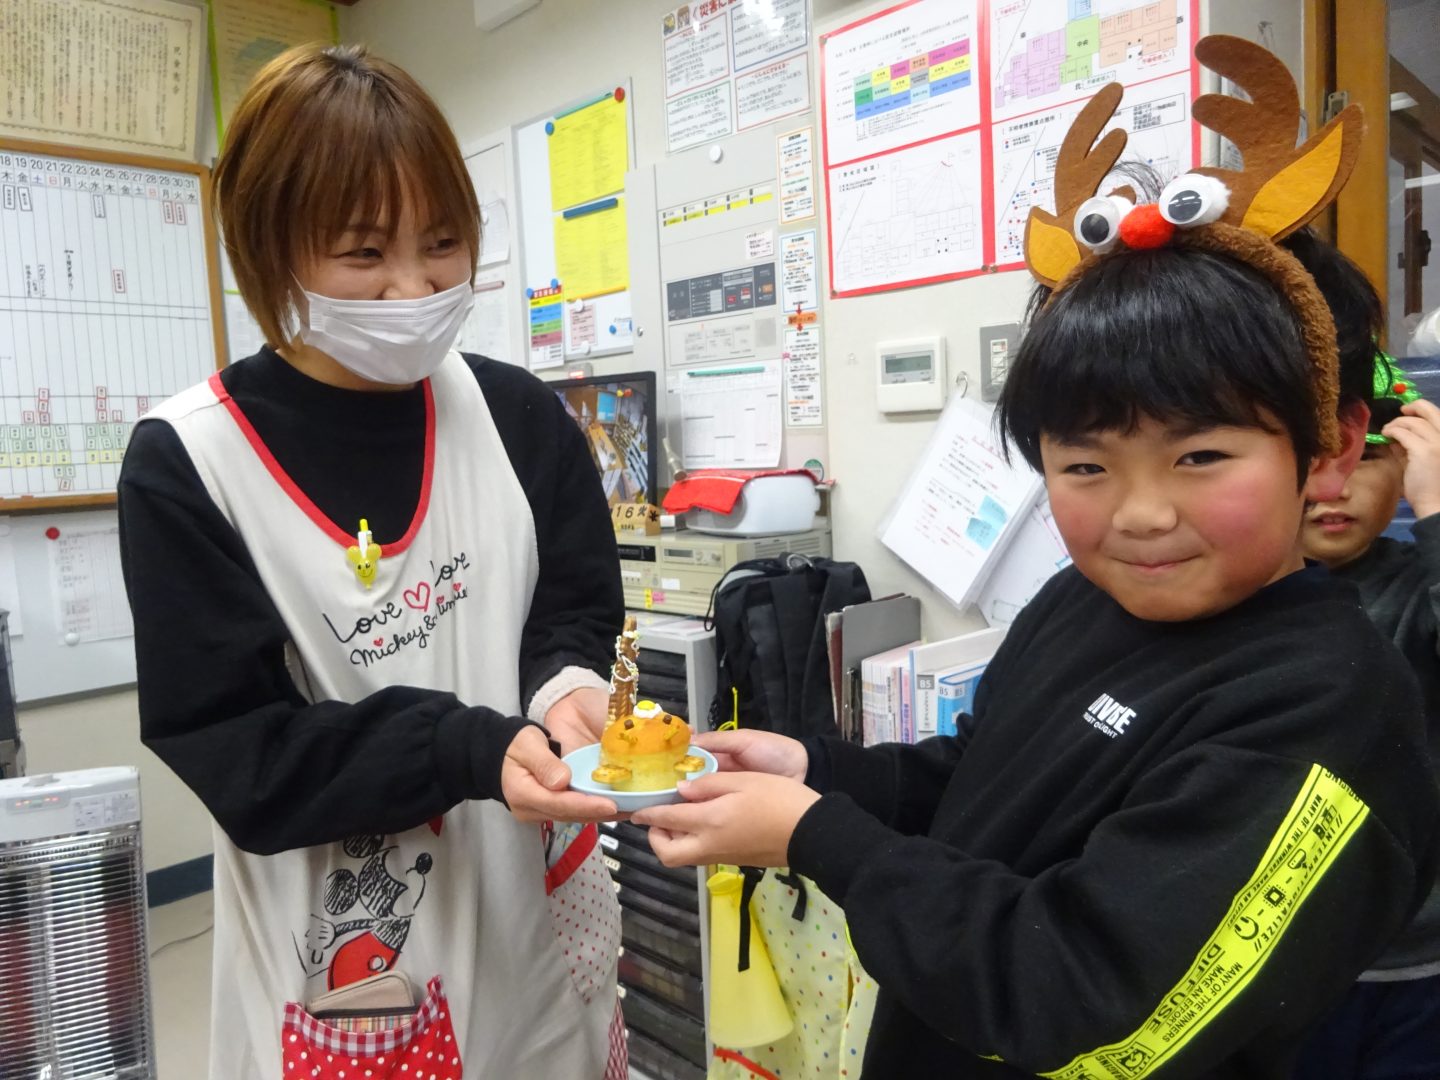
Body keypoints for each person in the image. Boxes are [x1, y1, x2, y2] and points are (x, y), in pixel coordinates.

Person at [633, 37, 1440, 1078]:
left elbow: (1080, 997)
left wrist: (817, 837)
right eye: (1086, 465)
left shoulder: (1327, 712)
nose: (1140, 514)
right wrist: (818, 773)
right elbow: (983, 780)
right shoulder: (1082, 599)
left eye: (1200, 456)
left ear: (1327, 448)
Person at [118, 44, 627, 1078]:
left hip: (536, 925)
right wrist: (465, 748)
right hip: (344, 969)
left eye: (443, 243)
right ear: (270, 251)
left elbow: (570, 607)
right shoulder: (190, 465)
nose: (414, 288)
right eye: (363, 254)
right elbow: (243, 753)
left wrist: (566, 686)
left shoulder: (519, 417)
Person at [1296, 358, 1440, 1076]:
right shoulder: (1233, 599)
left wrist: (1438, 509)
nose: (1336, 485)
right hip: (1282, 960)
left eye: (1366, 456)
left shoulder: (1418, 590)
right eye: (1311, 457)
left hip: (1417, 961)